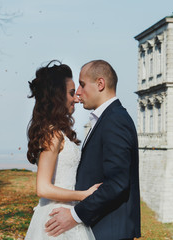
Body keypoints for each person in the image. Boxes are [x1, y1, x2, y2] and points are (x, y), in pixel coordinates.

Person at [45, 60, 141, 240]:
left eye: (82, 84)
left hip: (110, 231)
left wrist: (74, 215)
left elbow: (117, 183)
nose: (78, 93)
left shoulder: (115, 120)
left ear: (100, 84)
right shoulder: (108, 118)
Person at [25, 60, 99, 240]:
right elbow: (42, 188)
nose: (76, 98)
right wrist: (83, 195)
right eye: (72, 93)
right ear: (58, 96)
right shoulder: (53, 134)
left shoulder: (58, 132)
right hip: (56, 219)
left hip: (67, 213)